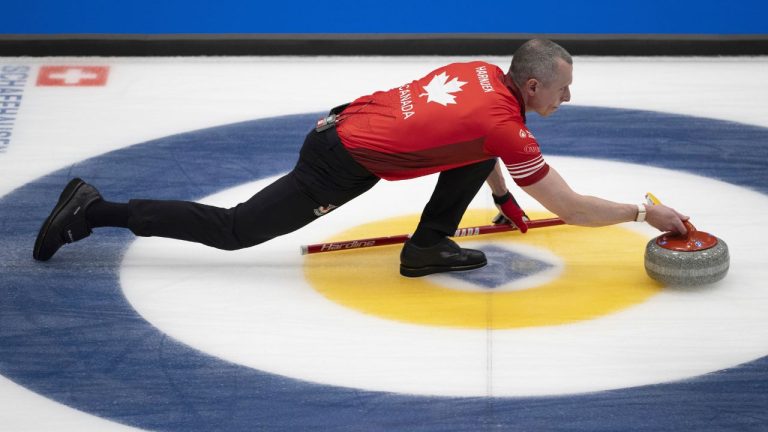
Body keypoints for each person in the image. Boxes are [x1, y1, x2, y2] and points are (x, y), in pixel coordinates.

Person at [33, 39, 688, 277]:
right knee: (235, 231)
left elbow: (476, 142)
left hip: (341, 123)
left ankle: (426, 249)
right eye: (565, 88)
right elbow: (569, 206)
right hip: (337, 163)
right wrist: (641, 214)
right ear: (536, 86)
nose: (568, 98)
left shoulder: (482, 76)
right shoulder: (507, 128)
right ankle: (95, 210)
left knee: (469, 157)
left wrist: (501, 196)